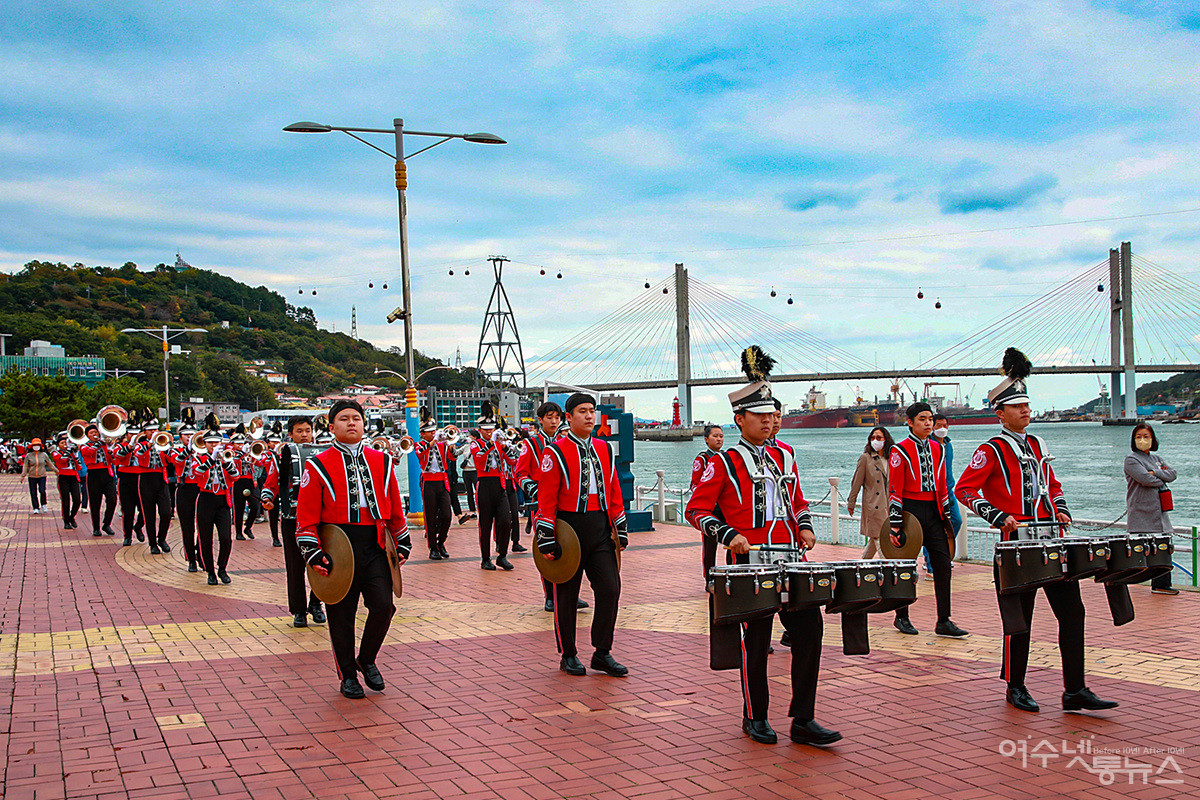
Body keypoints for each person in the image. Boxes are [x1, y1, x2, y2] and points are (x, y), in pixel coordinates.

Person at [685, 345, 839, 747]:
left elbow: (798, 500)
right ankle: (755, 716)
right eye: (760, 415)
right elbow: (695, 510)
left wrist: (805, 526)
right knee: (756, 641)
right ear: (740, 419)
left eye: (772, 414)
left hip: (791, 561)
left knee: (811, 632)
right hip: (750, 562)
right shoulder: (724, 461)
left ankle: (803, 719)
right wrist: (728, 535)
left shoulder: (786, 455)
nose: (769, 421)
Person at [956, 347, 1117, 714]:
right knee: (1019, 620)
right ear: (1000, 412)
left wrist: (1062, 509)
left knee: (1073, 613)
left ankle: (1075, 689)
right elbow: (964, 489)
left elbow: (1052, 484)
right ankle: (1015, 686)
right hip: (1017, 545)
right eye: (1017, 406)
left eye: (1027, 405)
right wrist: (998, 516)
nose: (1026, 410)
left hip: (1053, 540)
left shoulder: (1039, 444)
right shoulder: (990, 449)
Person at [295, 399, 411, 699]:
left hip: (375, 543)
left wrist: (401, 541)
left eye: (356, 418)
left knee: (384, 606)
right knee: (341, 615)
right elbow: (306, 516)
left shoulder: (383, 461)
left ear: (363, 424)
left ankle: (367, 658)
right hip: (337, 544)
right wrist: (313, 552)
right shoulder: (317, 464)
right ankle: (347, 675)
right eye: (344, 418)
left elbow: (394, 505)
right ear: (331, 426)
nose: (351, 423)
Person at [534, 393, 629, 678]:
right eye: (582, 411)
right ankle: (568, 654)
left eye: (592, 411)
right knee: (566, 595)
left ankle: (602, 652)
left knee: (610, 588)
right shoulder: (555, 451)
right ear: (569, 417)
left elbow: (613, 487)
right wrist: (546, 536)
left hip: (600, 527)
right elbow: (546, 496)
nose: (589, 416)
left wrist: (619, 527)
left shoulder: (605, 448)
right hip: (568, 528)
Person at [888, 402, 968, 638]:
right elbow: (895, 488)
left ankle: (944, 620)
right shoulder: (899, 450)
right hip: (910, 511)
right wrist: (895, 525)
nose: (928, 423)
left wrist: (946, 516)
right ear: (910, 422)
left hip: (934, 511)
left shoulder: (939, 448)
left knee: (943, 564)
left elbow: (942, 484)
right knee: (905, 565)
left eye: (930, 419)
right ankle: (901, 616)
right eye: (922, 419)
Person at [516, 401, 588, 612]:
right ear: (540, 420)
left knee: (570, 547)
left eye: (557, 417)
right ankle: (550, 596)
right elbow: (520, 473)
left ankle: (571, 595)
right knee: (547, 548)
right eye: (549, 418)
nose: (554, 421)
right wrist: (535, 489)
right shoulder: (530, 444)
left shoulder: (565, 442)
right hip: (542, 504)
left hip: (564, 505)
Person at [260, 416, 325, 628]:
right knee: (295, 566)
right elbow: (271, 482)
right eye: (299, 431)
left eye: (307, 430)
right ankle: (298, 610)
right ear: (290, 434)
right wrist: (267, 498)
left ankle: (316, 603)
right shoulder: (282, 456)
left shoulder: (323, 455)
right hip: (292, 518)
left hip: (319, 518)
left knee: (321, 562)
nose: (304, 435)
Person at [1125, 423, 1178, 595]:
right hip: (1141, 511)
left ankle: (1162, 584)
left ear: (1153, 439)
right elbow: (1145, 479)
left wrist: (1155, 473)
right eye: (1139, 437)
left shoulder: (1157, 459)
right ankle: (1131, 581)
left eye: (1146, 436)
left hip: (1160, 511)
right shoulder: (1132, 460)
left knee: (1163, 547)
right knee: (1142, 549)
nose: (1143, 440)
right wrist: (1161, 476)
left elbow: (1173, 474)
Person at [471, 402, 516, 571]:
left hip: (499, 484)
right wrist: (491, 444)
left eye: (491, 429)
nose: (489, 432)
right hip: (484, 485)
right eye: (486, 430)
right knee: (485, 524)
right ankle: (485, 558)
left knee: (505, 521)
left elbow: (512, 461)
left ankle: (502, 555)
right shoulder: (476, 444)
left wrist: (507, 447)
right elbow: (479, 459)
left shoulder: (499, 443)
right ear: (480, 430)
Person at [847, 426, 893, 559]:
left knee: (875, 539)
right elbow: (856, 483)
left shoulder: (892, 458)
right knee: (880, 540)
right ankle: (888, 567)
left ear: (886, 440)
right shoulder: (866, 458)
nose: (875, 440)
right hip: (873, 506)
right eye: (872, 438)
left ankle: (862, 565)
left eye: (879, 438)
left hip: (889, 506)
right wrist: (851, 503)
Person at [414, 408, 453, 561]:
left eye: (433, 431)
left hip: (442, 482)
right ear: (423, 434)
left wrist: (450, 444)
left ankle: (441, 542)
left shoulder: (441, 445)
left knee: (447, 515)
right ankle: (433, 548)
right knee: (430, 517)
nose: (433, 433)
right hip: (428, 482)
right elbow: (420, 453)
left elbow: (453, 457)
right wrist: (433, 442)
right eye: (429, 432)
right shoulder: (419, 445)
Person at [166, 415, 203, 571]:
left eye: (192, 435)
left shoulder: (202, 450)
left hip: (200, 490)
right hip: (184, 489)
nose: (189, 437)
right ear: (180, 437)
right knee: (187, 527)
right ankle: (190, 559)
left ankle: (200, 553)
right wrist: (190, 449)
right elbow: (178, 460)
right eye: (186, 435)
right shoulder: (176, 450)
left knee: (203, 525)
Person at [690, 424, 725, 580]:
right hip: (710, 510)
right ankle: (709, 579)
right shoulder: (702, 459)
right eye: (715, 436)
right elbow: (695, 484)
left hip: (726, 508)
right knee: (710, 546)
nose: (719, 439)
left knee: (732, 544)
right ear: (706, 439)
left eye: (721, 436)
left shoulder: (725, 457)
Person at [132, 426, 173, 554]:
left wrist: (167, 448)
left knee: (166, 512)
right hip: (146, 479)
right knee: (149, 514)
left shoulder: (163, 443)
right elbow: (137, 454)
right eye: (151, 430)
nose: (154, 432)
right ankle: (152, 543)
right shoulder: (141, 444)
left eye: (156, 430)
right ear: (145, 432)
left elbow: (172, 459)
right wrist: (150, 444)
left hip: (161, 478)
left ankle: (162, 538)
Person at [79, 424, 118, 536]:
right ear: (87, 435)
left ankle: (107, 523)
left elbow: (114, 461)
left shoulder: (104, 445)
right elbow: (89, 452)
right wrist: (99, 443)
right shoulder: (84, 446)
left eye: (95, 432)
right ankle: (96, 528)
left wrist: (110, 449)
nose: (94, 434)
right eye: (91, 433)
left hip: (107, 473)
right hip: (94, 474)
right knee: (95, 502)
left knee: (112, 499)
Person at [50, 435, 82, 528]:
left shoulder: (71, 453)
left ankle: (72, 516)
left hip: (73, 477)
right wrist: (69, 451)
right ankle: (66, 520)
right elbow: (62, 460)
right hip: (63, 477)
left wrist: (76, 455)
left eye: (66, 443)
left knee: (77, 500)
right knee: (65, 500)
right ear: (58, 445)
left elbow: (79, 467)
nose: (65, 444)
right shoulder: (55, 453)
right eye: (62, 443)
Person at [21, 438, 56, 514]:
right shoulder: (29, 456)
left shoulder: (44, 455)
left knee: (42, 490)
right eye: (34, 445)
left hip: (42, 476)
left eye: (38, 445)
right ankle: (35, 507)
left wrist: (56, 471)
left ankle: (43, 504)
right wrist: (23, 475)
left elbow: (49, 464)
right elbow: (25, 466)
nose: (36, 447)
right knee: (33, 492)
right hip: (32, 476)